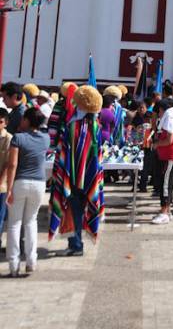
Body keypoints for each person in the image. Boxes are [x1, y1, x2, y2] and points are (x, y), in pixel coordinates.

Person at [49, 85, 105, 256]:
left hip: (72, 177)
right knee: (79, 210)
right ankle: (76, 243)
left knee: (73, 210)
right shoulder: (95, 126)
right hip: (88, 176)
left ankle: (76, 245)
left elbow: (65, 150)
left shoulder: (74, 125)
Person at [5, 106, 50, 275]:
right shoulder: (45, 139)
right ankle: (31, 260)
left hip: (20, 182)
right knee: (31, 222)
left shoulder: (18, 137)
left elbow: (12, 164)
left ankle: (13, 264)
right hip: (39, 183)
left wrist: (8, 189)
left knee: (14, 224)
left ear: (27, 120)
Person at [151, 100, 173, 225]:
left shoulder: (170, 119)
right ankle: (166, 211)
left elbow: (169, 140)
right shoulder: (170, 119)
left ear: (163, 109)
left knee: (165, 186)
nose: (158, 113)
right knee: (166, 186)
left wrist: (156, 144)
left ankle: (164, 213)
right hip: (167, 157)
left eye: (159, 110)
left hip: (170, 157)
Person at [0, 107, 11, 250]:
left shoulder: (9, 138)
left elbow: (8, 164)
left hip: (2, 185)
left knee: (0, 216)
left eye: (1, 121)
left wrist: (1, 181)